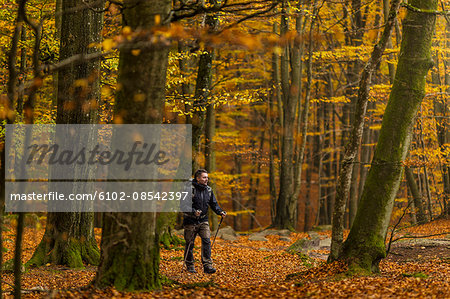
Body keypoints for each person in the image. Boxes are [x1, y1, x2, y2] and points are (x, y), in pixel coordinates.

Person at [183, 169, 226, 274]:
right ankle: (190, 265)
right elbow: (183, 205)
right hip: (190, 221)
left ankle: (207, 266)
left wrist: (220, 212)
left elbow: (214, 204)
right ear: (198, 178)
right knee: (190, 243)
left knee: (207, 241)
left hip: (203, 220)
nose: (206, 179)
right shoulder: (189, 189)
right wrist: (193, 212)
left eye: (207, 177)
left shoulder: (209, 190)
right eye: (204, 177)